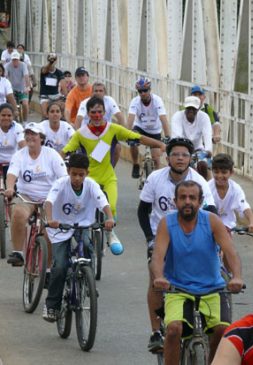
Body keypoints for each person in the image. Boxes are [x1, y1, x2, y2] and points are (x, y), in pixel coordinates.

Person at [151, 180, 244, 365]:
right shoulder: (166, 224)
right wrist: (159, 277)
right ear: (175, 201)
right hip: (178, 289)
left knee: (221, 331)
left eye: (192, 198)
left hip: (212, 289)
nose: (187, 202)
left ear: (200, 201)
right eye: (183, 197)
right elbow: (158, 255)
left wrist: (237, 277)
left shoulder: (212, 221)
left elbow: (230, 252)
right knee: (173, 330)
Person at [137, 137, 217, 352]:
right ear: (167, 157)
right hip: (161, 237)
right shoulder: (155, 178)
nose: (180, 158)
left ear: (190, 158)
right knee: (156, 280)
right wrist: (149, 239)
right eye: (175, 154)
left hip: (191, 237)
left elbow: (211, 211)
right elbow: (143, 210)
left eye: (184, 155)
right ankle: (155, 331)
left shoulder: (198, 180)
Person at [62, 96, 165, 251]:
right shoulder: (80, 134)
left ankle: (110, 234)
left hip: (108, 177)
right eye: (93, 112)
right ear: (88, 113)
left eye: (99, 112)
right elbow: (65, 151)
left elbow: (137, 137)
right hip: (87, 179)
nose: (96, 115)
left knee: (112, 207)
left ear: (104, 112)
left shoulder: (113, 129)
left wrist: (160, 144)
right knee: (81, 211)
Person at [42, 153, 115, 322]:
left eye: (81, 174)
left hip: (82, 225)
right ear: (68, 171)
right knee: (59, 266)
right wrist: (50, 219)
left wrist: (110, 217)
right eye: (74, 174)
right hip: (60, 228)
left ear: (87, 173)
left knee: (88, 248)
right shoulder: (60, 184)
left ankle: (87, 280)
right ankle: (52, 305)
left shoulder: (91, 185)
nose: (77, 178)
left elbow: (102, 201)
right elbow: (49, 202)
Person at [5, 122, 67, 267]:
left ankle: (48, 268)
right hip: (27, 196)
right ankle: (18, 253)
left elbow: (63, 177)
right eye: (28, 134)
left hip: (49, 198)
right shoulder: (19, 155)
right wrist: (9, 188)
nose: (30, 137)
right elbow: (12, 173)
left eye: (34, 134)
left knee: (48, 232)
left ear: (41, 138)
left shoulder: (52, 155)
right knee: (18, 213)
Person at [127, 77, 170, 178]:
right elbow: (130, 118)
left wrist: (167, 135)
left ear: (150, 90)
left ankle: (158, 178)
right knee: (132, 141)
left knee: (156, 158)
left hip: (155, 130)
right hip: (140, 128)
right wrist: (127, 132)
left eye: (145, 91)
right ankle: (135, 164)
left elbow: (163, 119)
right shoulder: (135, 101)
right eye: (140, 91)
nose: (142, 93)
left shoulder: (157, 100)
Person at [209, 153, 253, 233]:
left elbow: (243, 205)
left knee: (228, 245)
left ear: (231, 172)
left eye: (224, 172)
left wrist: (252, 222)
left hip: (228, 227)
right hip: (209, 226)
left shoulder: (235, 189)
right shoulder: (207, 188)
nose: (220, 176)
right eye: (216, 172)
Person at [171, 95, 213, 179]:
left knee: (203, 166)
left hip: (198, 149)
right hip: (182, 149)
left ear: (198, 109)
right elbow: (177, 136)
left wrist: (208, 151)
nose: (191, 111)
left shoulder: (204, 117)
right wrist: (183, 151)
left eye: (193, 109)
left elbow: (207, 135)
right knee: (175, 168)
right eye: (188, 108)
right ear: (185, 108)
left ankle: (205, 187)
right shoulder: (177, 116)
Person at [0, 103, 25, 180]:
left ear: (13, 117)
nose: (6, 118)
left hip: (13, 164)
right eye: (3, 115)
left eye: (9, 116)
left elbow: (23, 146)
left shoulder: (18, 127)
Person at [5, 51, 30, 124]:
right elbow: (5, 76)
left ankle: (25, 122)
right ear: (11, 60)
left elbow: (26, 76)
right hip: (12, 90)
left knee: (25, 104)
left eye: (16, 59)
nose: (15, 61)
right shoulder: (7, 66)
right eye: (13, 60)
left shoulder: (23, 65)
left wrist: (27, 87)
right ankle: (15, 120)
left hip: (22, 89)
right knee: (13, 106)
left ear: (19, 59)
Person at [39, 53, 67, 119]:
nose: (52, 61)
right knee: (45, 114)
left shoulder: (59, 72)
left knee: (63, 108)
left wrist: (66, 96)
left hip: (55, 96)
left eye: (54, 60)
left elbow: (63, 85)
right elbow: (44, 71)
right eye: (51, 60)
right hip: (45, 95)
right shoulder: (44, 70)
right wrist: (50, 63)